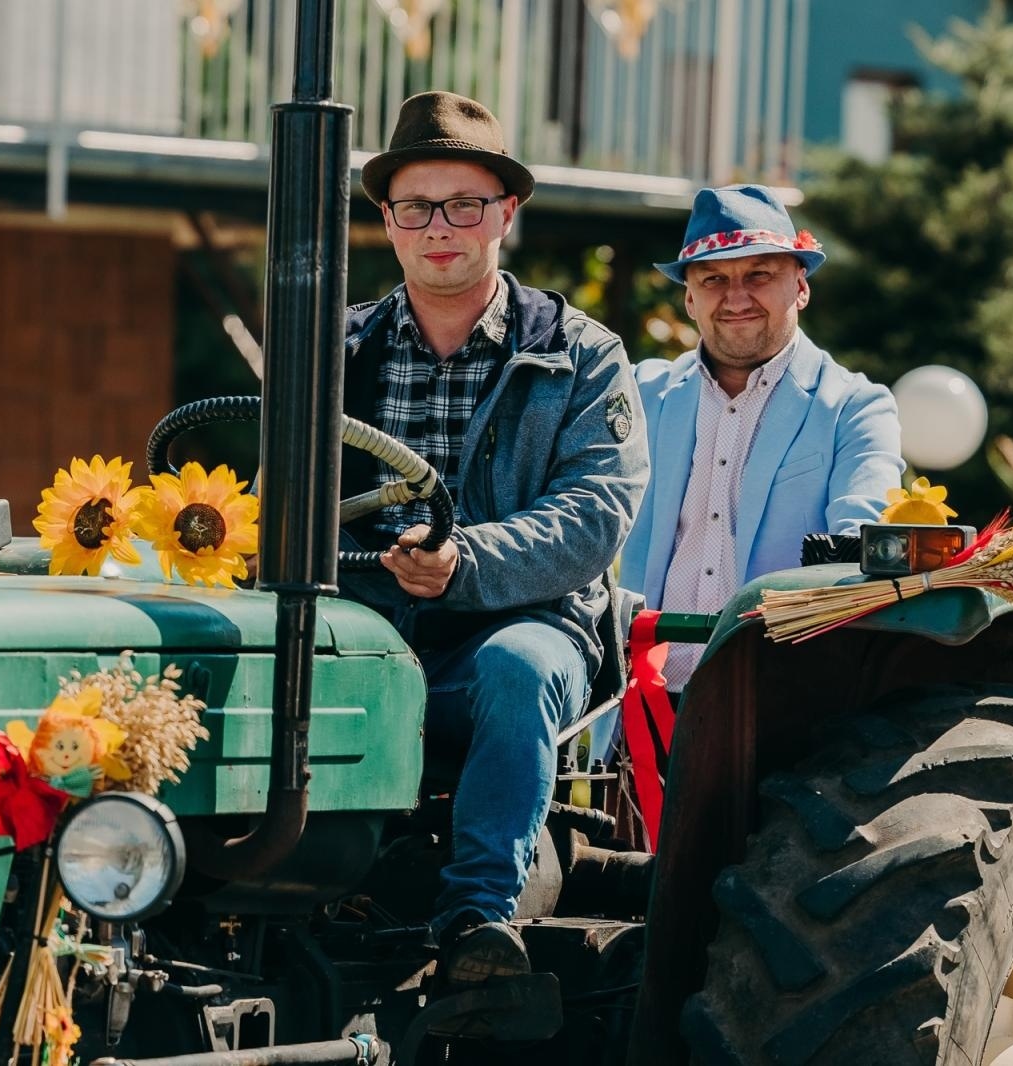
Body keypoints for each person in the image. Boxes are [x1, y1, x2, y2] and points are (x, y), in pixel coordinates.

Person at [339, 91, 647, 983]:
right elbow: (282, 502)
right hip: (364, 627)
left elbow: (594, 513)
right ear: (389, 222)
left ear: (506, 212)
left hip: (521, 622)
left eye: (464, 204)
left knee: (519, 667)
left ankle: (476, 920)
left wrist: (465, 565)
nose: (440, 226)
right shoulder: (336, 350)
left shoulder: (580, 353)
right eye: (416, 207)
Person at [618, 184, 904, 688]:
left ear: (801, 286)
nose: (736, 297)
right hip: (644, 707)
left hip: (785, 704)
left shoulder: (856, 408)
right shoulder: (641, 394)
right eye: (713, 279)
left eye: (759, 274)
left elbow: (860, 541)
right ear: (688, 297)